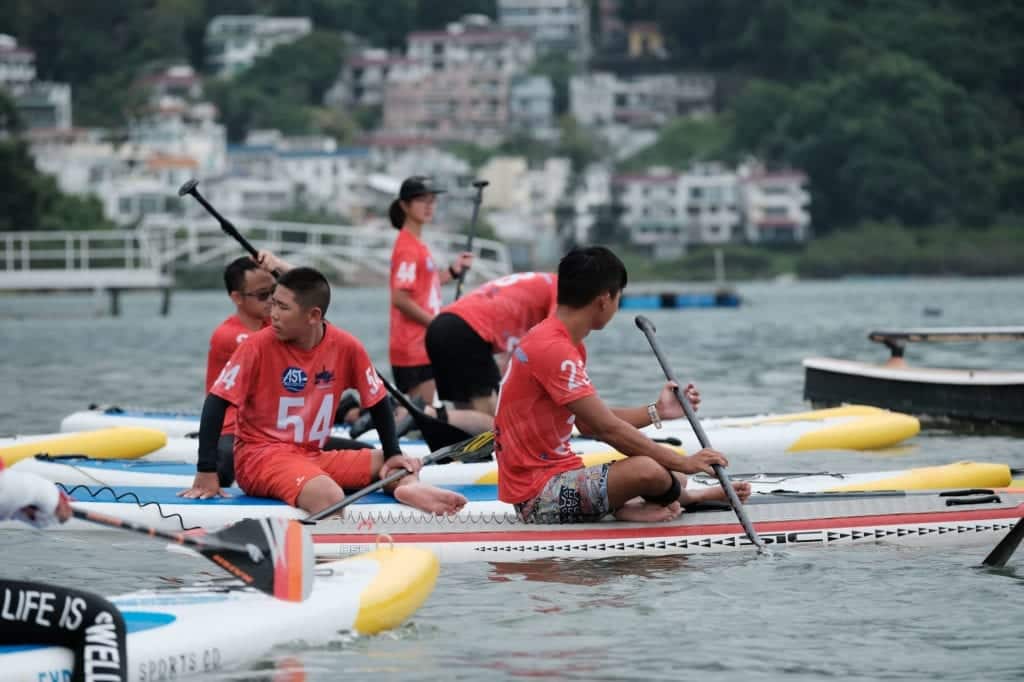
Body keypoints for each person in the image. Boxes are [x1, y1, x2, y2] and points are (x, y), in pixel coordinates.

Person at [180, 266, 466, 516]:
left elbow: (377, 401)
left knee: (395, 464)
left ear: (313, 316)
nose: (273, 314)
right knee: (329, 497)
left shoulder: (346, 346)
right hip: (261, 458)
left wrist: (393, 452)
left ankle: (406, 489)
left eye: (282, 307)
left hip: (313, 455)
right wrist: (206, 470)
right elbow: (216, 403)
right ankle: (332, 567)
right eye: (272, 303)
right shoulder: (256, 346)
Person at [494, 246, 752, 524]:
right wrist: (685, 462)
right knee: (651, 470)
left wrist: (657, 411)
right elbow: (608, 430)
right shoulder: (554, 349)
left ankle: (630, 504)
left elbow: (591, 423)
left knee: (669, 472)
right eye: (619, 297)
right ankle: (683, 499)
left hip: (559, 476)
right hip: (537, 498)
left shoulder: (563, 343)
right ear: (605, 299)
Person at [426, 271, 557, 427]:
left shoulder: (542, 280)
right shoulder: (563, 290)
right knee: (496, 426)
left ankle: (426, 417)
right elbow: (556, 344)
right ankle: (426, 414)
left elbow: (514, 359)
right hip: (465, 331)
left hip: (441, 326)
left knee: (470, 420)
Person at [388, 176, 473, 403]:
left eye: (432, 200)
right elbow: (400, 298)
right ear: (404, 205)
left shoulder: (417, 243)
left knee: (427, 412)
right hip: (412, 348)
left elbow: (426, 286)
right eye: (421, 200)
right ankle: (363, 414)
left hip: (424, 345)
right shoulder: (407, 247)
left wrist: (453, 271)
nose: (429, 205)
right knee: (424, 415)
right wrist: (436, 325)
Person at [204, 256, 275, 486]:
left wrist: (280, 266)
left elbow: (313, 301)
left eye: (275, 291)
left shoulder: (276, 325)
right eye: (263, 295)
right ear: (237, 297)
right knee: (224, 467)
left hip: (273, 424)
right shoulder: (228, 336)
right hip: (233, 426)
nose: (272, 300)